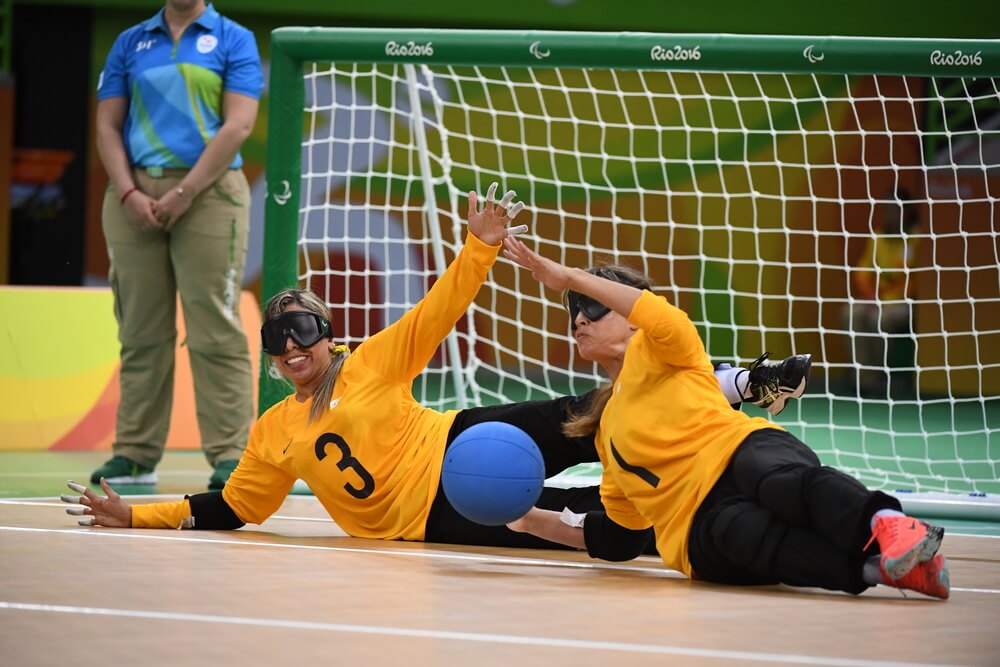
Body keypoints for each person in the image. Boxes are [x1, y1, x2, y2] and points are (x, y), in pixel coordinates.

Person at [60, 185, 809, 553]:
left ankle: (743, 383)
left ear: (326, 336)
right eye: (278, 341)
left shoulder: (369, 363)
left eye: (303, 333)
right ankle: (733, 520)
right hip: (444, 514)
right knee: (602, 523)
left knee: (595, 412)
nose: (292, 350)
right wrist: (137, 516)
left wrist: (479, 245)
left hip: (462, 438)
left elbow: (439, 309)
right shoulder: (272, 433)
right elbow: (231, 508)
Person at [500, 236, 949, 599]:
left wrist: (567, 276)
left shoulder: (663, 346)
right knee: (742, 534)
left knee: (775, 480)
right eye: (574, 310)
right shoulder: (606, 432)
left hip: (739, 452)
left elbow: (657, 313)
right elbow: (620, 535)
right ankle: (885, 571)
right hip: (698, 529)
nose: (579, 318)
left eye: (593, 305)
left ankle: (890, 525)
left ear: (633, 318)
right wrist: (526, 518)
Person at [91, 0, 264, 489]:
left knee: (215, 328)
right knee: (139, 330)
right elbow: (106, 125)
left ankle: (231, 454)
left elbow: (239, 125)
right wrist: (128, 192)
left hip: (209, 194)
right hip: (133, 196)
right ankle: (134, 454)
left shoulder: (233, 38)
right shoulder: (131, 41)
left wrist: (184, 193)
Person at [845, 187, 922, 397]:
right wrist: (872, 296)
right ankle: (864, 380)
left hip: (905, 302)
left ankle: (877, 375)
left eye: (896, 209)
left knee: (879, 320)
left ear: (907, 211)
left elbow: (918, 280)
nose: (891, 214)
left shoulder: (918, 238)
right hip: (876, 298)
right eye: (888, 209)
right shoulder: (878, 237)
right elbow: (863, 272)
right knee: (850, 314)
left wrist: (886, 299)